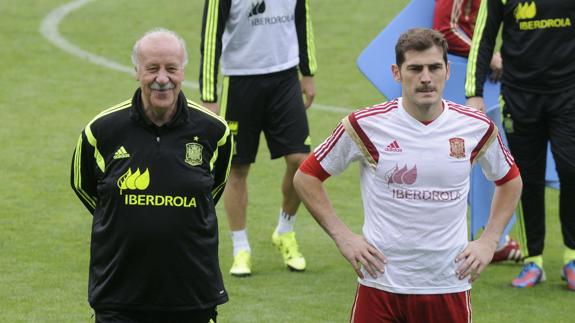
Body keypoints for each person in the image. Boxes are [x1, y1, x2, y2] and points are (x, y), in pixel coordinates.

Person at [293, 28, 522, 322]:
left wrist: (490, 240)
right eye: (415, 68)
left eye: (434, 67)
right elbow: (306, 177)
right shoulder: (366, 125)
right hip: (380, 285)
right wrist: (343, 237)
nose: (426, 77)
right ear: (396, 73)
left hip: (447, 285)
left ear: (448, 71)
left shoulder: (475, 128)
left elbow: (510, 180)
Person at [70, 28, 233, 322]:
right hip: (119, 298)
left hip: (192, 296)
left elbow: (211, 191)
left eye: (171, 68)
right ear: (136, 71)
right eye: (152, 69)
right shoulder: (101, 131)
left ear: (183, 71)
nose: (162, 79)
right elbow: (84, 187)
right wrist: (126, 213)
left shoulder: (215, 132)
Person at [199, 0, 317, 276]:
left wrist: (308, 73)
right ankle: (241, 247)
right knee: (237, 168)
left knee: (302, 162)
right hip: (239, 81)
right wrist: (209, 96)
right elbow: (211, 34)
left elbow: (303, 18)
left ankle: (285, 230)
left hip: (285, 78)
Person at [465, 0, 575, 290]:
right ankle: (533, 259)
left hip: (569, 94)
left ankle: (573, 256)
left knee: (571, 168)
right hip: (519, 97)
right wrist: (473, 92)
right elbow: (483, 38)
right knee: (526, 178)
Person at [433, 0, 521, 264]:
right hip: (458, 83)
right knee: (452, 162)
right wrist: (487, 56)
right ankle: (453, 241)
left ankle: (491, 239)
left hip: (478, 80)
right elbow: (445, 29)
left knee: (489, 163)